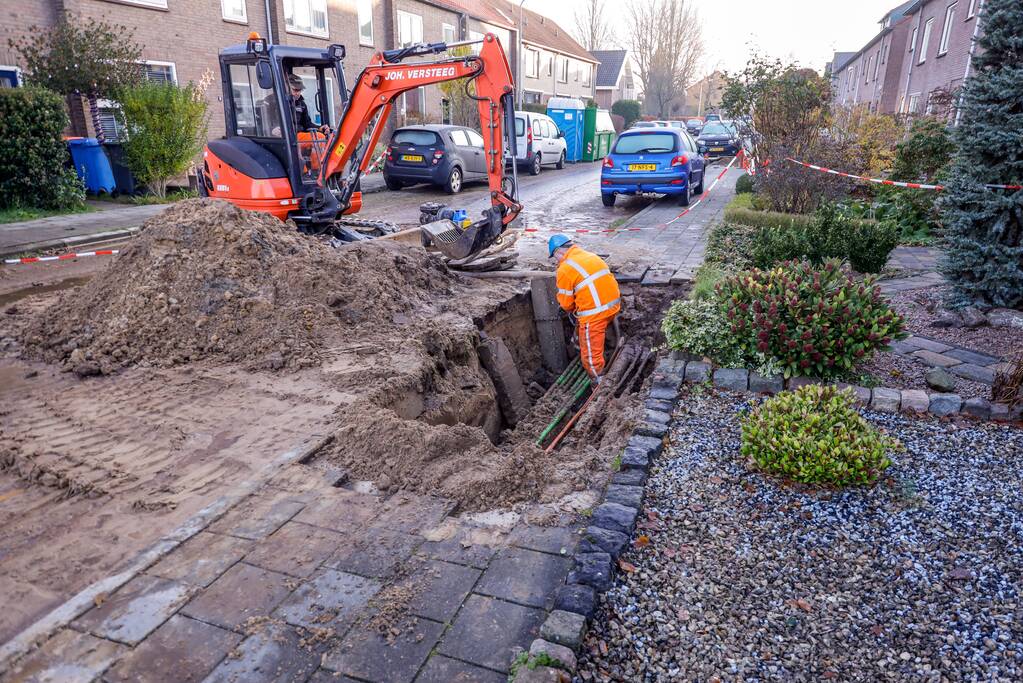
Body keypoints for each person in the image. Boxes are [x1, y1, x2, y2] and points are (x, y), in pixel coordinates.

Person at [549, 234, 621, 381]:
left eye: (554, 257)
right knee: (584, 330)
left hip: (595, 315)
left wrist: (565, 308)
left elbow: (567, 304)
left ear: (558, 252)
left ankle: (598, 382)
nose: (556, 261)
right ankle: (585, 347)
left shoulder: (565, 269)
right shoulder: (590, 256)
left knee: (590, 357)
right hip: (612, 306)